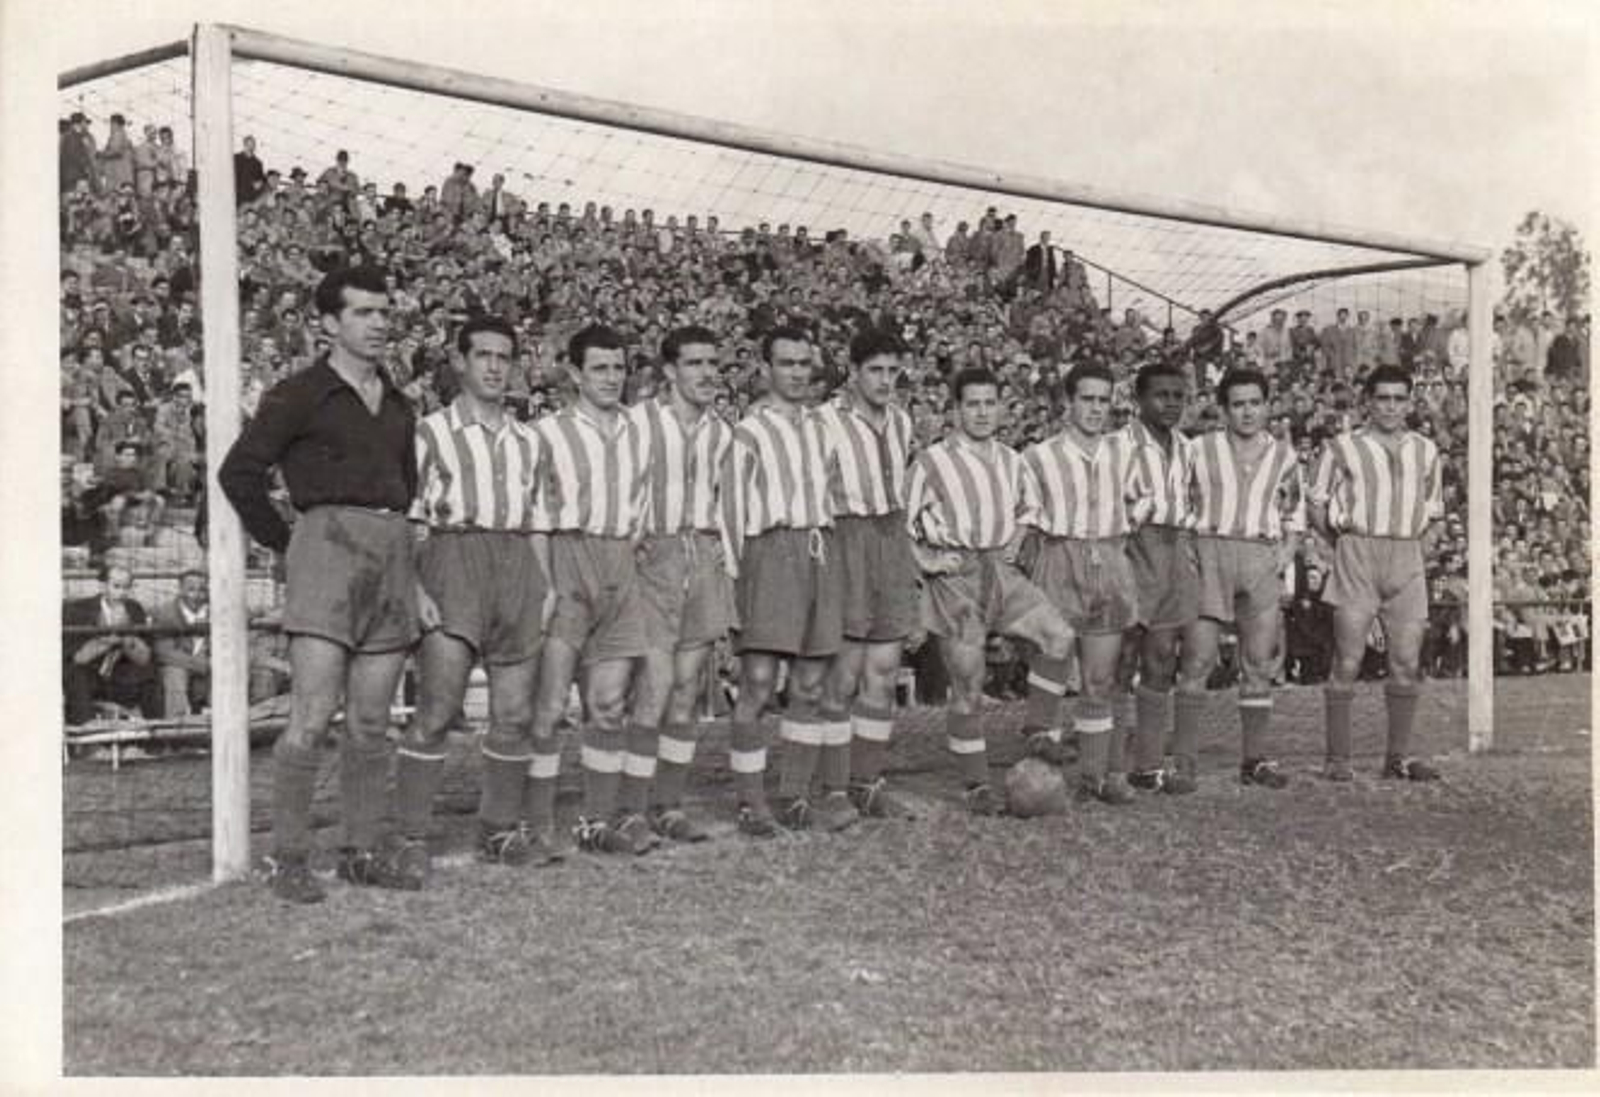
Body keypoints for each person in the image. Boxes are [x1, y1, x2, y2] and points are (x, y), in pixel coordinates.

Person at [219, 265, 421, 903]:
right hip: (326, 550)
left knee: (371, 719)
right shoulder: (299, 393)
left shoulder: (399, 403)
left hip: (390, 552)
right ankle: (288, 856)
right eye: (363, 312)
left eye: (384, 312)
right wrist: (291, 544)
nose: (378, 323)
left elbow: (407, 487)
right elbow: (238, 473)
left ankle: (361, 851)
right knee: (310, 714)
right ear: (330, 323)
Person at [393, 317, 558, 884]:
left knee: (514, 714)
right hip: (452, 558)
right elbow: (408, 518)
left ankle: (498, 830)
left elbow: (539, 520)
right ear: (459, 362)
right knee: (438, 710)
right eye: (483, 355)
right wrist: (416, 587)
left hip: (516, 564)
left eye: (503, 357)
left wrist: (545, 585)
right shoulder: (430, 432)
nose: (494, 366)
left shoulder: (529, 439)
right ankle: (411, 835)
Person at [906, 366, 1075, 814]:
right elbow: (899, 524)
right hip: (956, 579)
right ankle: (976, 785)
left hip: (999, 571)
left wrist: (1015, 542)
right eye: (972, 404)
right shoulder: (930, 462)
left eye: (989, 403)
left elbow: (1030, 508)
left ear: (1001, 407)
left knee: (1058, 636)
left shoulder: (1011, 460)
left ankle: (1038, 729)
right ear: (956, 410)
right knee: (969, 683)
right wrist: (927, 561)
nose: (982, 413)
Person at [526, 324, 658, 855]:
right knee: (551, 702)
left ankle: (595, 821)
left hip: (619, 561)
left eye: (618, 368)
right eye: (599, 368)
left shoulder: (638, 431)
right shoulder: (545, 433)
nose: (610, 377)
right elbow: (533, 515)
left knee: (607, 703)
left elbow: (642, 506)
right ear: (575, 374)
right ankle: (536, 821)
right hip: (566, 556)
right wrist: (545, 583)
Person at [719, 324, 848, 835]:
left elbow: (832, 496)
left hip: (818, 551)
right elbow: (730, 514)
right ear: (766, 368)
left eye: (803, 363)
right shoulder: (748, 432)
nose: (796, 373)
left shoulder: (822, 429)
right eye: (786, 363)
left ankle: (794, 795)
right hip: (769, 553)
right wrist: (734, 584)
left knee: (810, 684)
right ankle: (751, 802)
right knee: (757, 681)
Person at [1017, 362, 1150, 804]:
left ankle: (1094, 779)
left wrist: (1124, 528)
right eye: (1086, 399)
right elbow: (1025, 516)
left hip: (1108, 559)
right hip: (1058, 557)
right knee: (1052, 658)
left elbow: (1143, 498)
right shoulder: (1039, 456)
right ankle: (1040, 758)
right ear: (1068, 402)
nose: (1095, 408)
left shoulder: (1124, 453)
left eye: (1102, 400)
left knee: (1099, 678)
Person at [625, 324, 737, 842]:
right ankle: (631, 808)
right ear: (670, 371)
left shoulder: (722, 432)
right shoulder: (637, 423)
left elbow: (727, 502)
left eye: (713, 363)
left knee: (688, 688)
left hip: (703, 556)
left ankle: (668, 804)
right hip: (655, 557)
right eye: (695, 363)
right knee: (654, 685)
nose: (707, 373)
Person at [1309, 364, 1443, 782]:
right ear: (1367, 401)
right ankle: (1338, 759)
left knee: (1406, 661)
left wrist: (1417, 553)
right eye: (1382, 398)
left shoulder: (1426, 450)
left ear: (1410, 403)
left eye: (1399, 399)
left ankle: (1396, 758)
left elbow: (1435, 512)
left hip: (1406, 555)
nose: (1390, 406)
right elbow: (1316, 505)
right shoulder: (1341, 448)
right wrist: (1341, 546)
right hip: (1358, 552)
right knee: (1348, 659)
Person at [1174, 368, 1303, 790]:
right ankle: (1184, 763)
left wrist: (1284, 555)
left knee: (1258, 663)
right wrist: (1187, 550)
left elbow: (1294, 515)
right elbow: (1177, 503)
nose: (1247, 412)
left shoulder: (1284, 456)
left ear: (1267, 406)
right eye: (1238, 405)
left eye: (1255, 403)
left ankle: (1254, 761)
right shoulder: (1198, 449)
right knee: (1197, 660)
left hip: (1259, 556)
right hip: (1209, 552)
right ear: (1224, 409)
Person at [814, 328, 920, 820]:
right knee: (843, 672)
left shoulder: (901, 421)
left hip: (890, 539)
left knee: (883, 670)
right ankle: (834, 788)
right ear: (853, 372)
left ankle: (867, 782)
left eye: (893, 371)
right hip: (846, 540)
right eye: (875, 370)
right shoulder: (823, 421)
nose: (884, 380)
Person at [1118, 361, 1201, 794]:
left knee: (1162, 656)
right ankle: (1109, 764)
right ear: (1139, 399)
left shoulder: (1187, 447)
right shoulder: (1118, 445)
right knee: (1122, 654)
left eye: (1177, 396)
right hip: (1132, 547)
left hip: (1174, 548)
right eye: (1161, 395)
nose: (1170, 404)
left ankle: (1148, 765)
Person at [63, 561, 158, 726]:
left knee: (150, 675)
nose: (122, 593)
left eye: (127, 587)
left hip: (119, 674)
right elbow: (78, 658)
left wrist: (125, 638)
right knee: (76, 675)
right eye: (117, 586)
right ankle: (87, 734)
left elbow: (144, 657)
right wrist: (109, 638)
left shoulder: (134, 608)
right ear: (102, 586)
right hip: (90, 671)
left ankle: (157, 733)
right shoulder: (79, 609)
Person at [152, 568, 209, 718]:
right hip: (180, 664)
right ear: (180, 589)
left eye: (202, 590)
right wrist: (201, 664)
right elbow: (164, 653)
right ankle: (177, 722)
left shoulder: (216, 609)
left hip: (209, 663)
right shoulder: (166, 612)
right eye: (191, 589)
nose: (197, 595)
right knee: (174, 673)